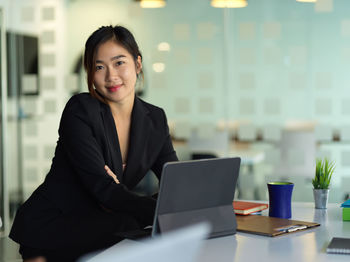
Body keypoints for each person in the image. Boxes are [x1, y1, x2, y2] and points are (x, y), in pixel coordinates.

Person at [9, 25, 178, 262]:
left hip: (104, 225)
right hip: (53, 225)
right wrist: (157, 208)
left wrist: (170, 203)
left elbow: (175, 184)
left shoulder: (155, 118)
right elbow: (104, 190)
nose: (111, 76)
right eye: (100, 67)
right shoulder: (80, 110)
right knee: (136, 224)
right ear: (90, 73)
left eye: (120, 63)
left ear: (137, 65)